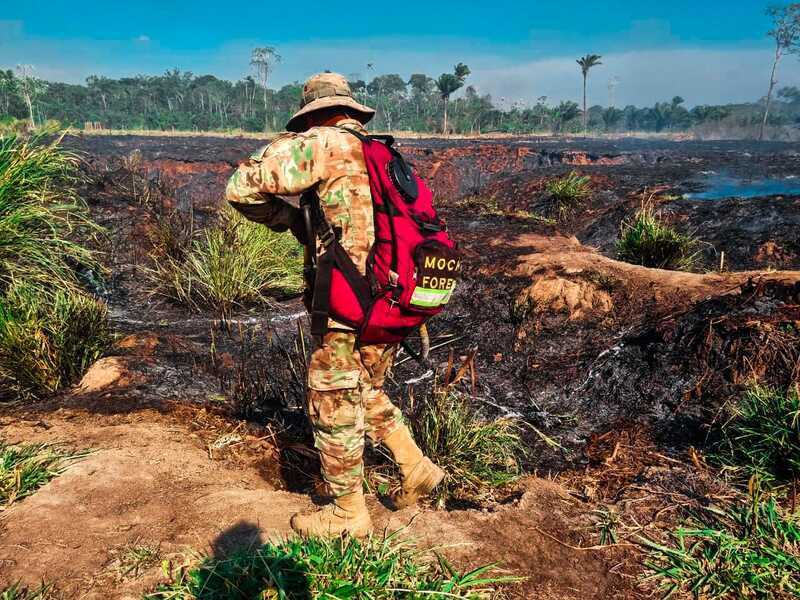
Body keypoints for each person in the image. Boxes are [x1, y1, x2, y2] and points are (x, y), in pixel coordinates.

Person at [225, 72, 445, 537]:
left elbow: (240, 187)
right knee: (364, 387)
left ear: (313, 115)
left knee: (332, 398)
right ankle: (415, 467)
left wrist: (285, 218)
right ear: (352, 109)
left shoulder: (319, 144)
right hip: (392, 301)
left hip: (347, 301)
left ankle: (348, 512)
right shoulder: (384, 154)